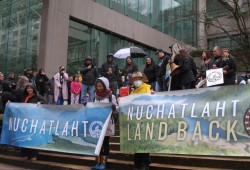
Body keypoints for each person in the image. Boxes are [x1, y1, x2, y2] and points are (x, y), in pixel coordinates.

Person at [91, 77, 118, 170]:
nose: (99, 88)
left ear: (105, 85)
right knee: (98, 145)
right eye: (97, 86)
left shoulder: (111, 96)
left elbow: (116, 110)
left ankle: (103, 163)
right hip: (98, 123)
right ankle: (98, 162)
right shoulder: (95, 96)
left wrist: (114, 107)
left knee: (105, 143)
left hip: (107, 123)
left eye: (100, 86)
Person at [129, 71, 151, 170]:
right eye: (135, 80)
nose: (137, 81)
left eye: (138, 79)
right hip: (135, 122)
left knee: (144, 143)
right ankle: (136, 164)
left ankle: (144, 163)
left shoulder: (147, 89)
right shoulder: (132, 93)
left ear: (142, 80)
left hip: (145, 120)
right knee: (136, 143)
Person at [20, 83, 45, 160]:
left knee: (33, 137)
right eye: (28, 88)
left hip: (34, 121)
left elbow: (45, 102)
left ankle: (33, 155)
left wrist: (40, 103)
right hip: (25, 120)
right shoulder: (24, 97)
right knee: (24, 137)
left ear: (33, 89)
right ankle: (25, 154)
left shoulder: (38, 96)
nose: (29, 89)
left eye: (30, 88)